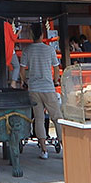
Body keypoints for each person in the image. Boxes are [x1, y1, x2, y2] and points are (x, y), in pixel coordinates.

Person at [20, 23, 61, 160]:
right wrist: (56, 81)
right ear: (42, 35)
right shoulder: (49, 50)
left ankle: (44, 150)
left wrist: (25, 81)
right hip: (48, 87)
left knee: (38, 119)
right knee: (57, 118)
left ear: (31, 35)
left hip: (34, 88)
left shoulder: (27, 50)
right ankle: (63, 145)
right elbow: (56, 68)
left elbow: (22, 70)